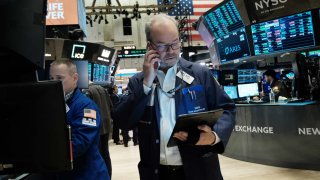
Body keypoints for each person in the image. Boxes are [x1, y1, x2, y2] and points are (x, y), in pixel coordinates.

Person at [113, 14, 236, 180]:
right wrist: (146, 84)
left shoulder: (200, 74)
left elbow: (227, 109)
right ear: (150, 46)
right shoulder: (138, 82)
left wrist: (214, 136)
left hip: (200, 169)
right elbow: (123, 121)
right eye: (163, 46)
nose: (171, 51)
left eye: (175, 43)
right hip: (158, 172)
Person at [49, 60, 109, 180]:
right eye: (51, 78)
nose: (54, 82)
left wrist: (47, 154)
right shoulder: (53, 104)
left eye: (59, 78)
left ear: (75, 78)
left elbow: (80, 142)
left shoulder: (86, 106)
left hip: (87, 175)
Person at [85, 83, 113, 177]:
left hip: (97, 127)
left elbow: (88, 110)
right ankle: (108, 175)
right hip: (107, 124)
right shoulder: (103, 89)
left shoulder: (87, 91)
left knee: (98, 154)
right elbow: (110, 106)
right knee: (105, 152)